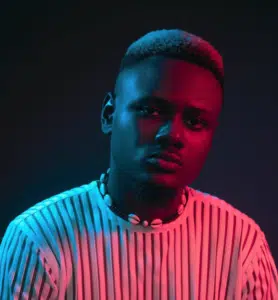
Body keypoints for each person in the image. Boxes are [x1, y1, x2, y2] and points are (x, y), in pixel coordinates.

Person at [0, 29, 277, 299]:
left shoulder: (242, 246)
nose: (173, 135)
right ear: (109, 115)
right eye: (152, 111)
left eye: (195, 122)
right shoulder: (38, 240)